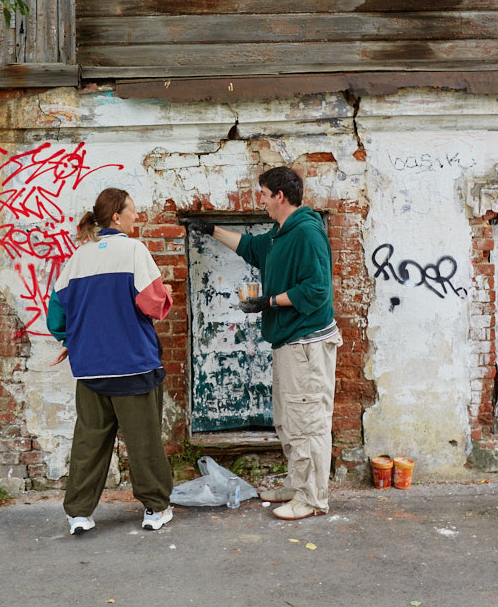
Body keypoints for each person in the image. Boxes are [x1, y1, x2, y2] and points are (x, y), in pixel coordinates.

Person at [188, 166, 340, 520]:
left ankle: (313, 498)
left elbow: (317, 291)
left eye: (263, 194)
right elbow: (251, 248)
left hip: (307, 345)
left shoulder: (306, 233)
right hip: (289, 343)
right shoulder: (280, 233)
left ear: (279, 196)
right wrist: (210, 229)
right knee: (289, 421)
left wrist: (269, 302)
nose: (260, 201)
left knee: (308, 422)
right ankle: (298, 484)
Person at [47, 187, 175, 534]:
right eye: (133, 210)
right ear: (117, 216)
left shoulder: (78, 258)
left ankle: (78, 514)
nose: (137, 215)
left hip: (90, 368)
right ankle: (154, 509)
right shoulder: (133, 250)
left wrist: (70, 340)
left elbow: (56, 315)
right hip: (132, 364)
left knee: (89, 441)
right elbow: (152, 304)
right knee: (143, 440)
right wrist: (167, 297)